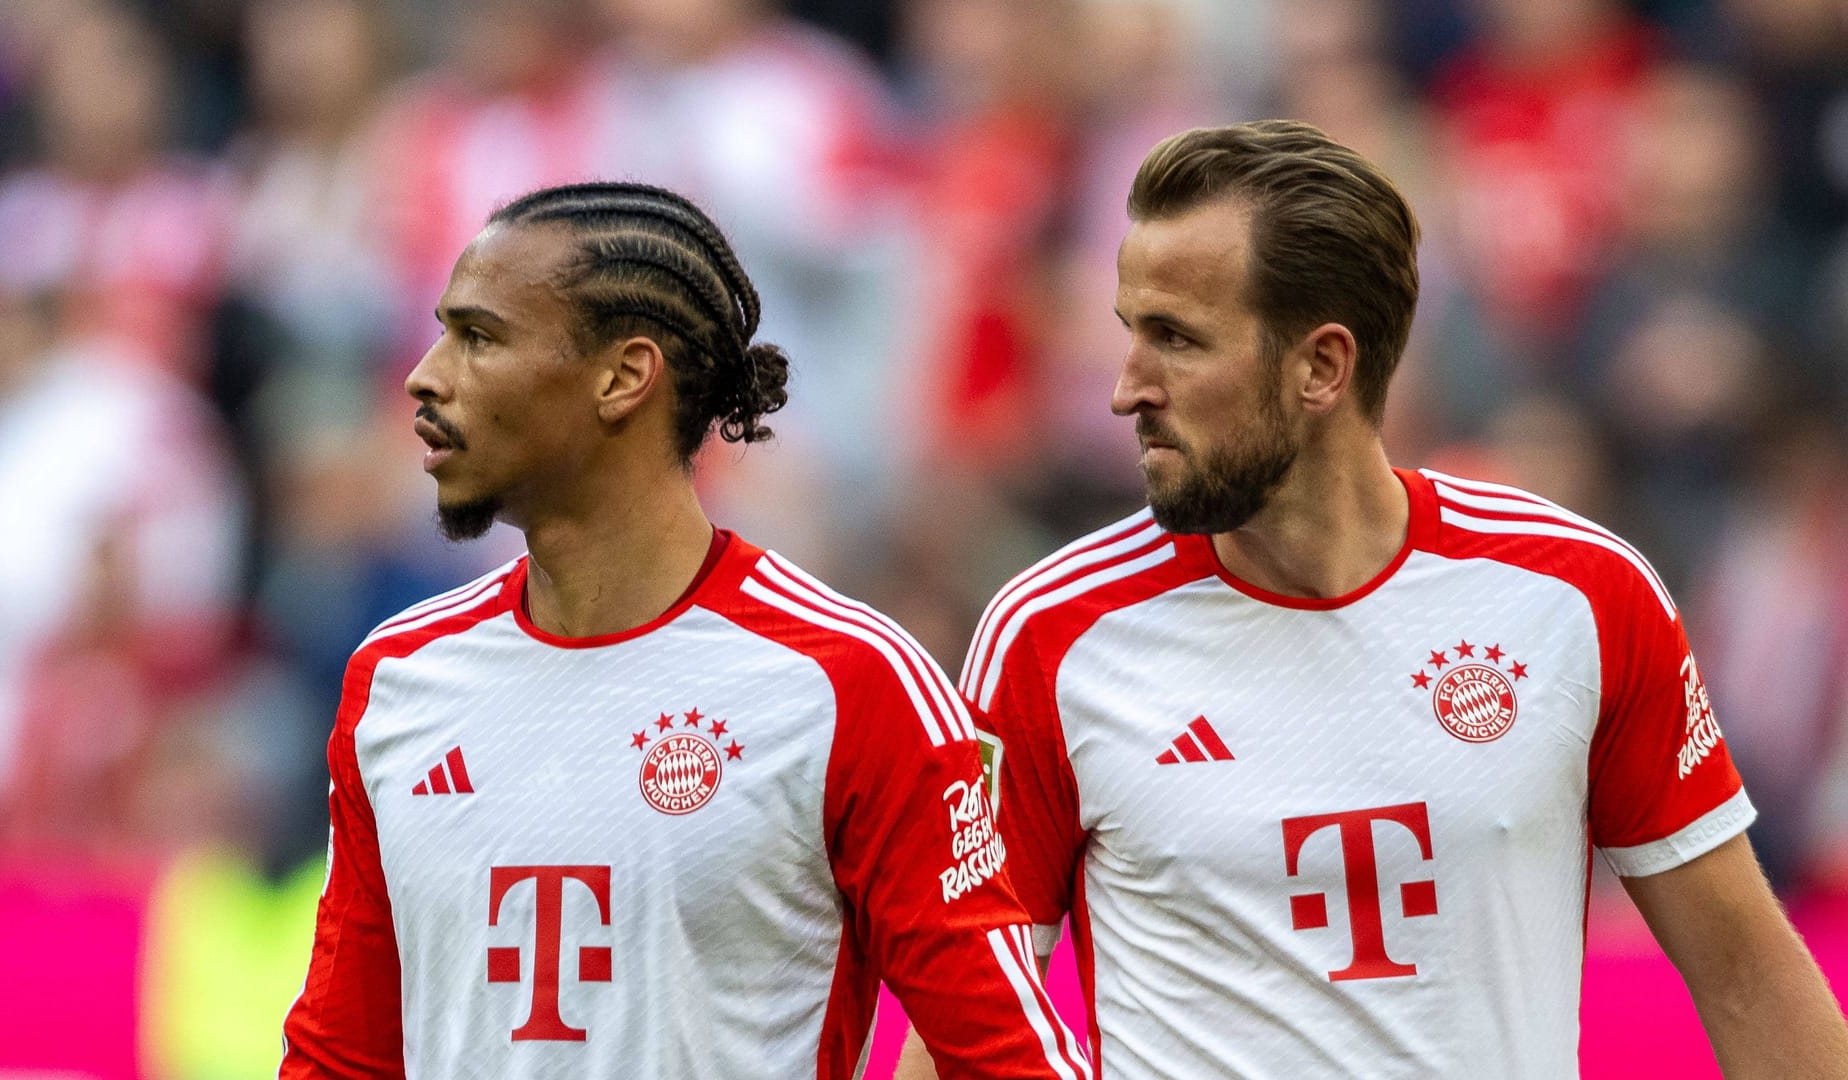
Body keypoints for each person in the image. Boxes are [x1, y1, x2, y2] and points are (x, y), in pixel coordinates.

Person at [906, 120, 1848, 1077]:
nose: (1125, 389)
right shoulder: (1049, 635)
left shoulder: (1580, 596)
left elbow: (1744, 974)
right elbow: (961, 1028)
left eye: (1177, 340)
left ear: (1322, 366)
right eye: (1130, 332)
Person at [278, 182, 1088, 1078]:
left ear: (624, 376)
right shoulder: (396, 677)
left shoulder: (851, 681)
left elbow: (1006, 1058)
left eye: (478, 337)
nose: (426, 375)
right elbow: (339, 1056)